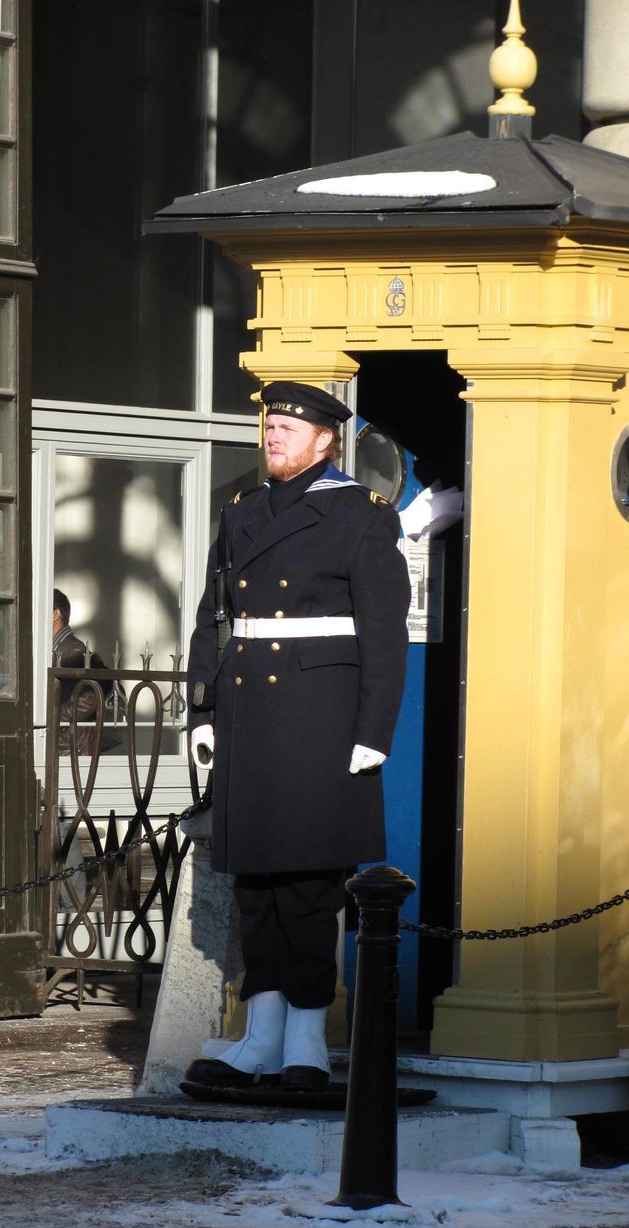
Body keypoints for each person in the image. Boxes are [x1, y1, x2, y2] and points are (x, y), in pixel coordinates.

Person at [185, 380, 411, 1090]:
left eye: (287, 426)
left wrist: (373, 729)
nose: (273, 435)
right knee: (257, 883)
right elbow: (212, 620)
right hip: (251, 714)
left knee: (311, 887)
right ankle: (261, 1038)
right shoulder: (243, 512)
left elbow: (384, 635)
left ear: (325, 439)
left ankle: (308, 1043)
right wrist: (202, 710)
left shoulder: (360, 516)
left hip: (322, 717)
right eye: (269, 424)